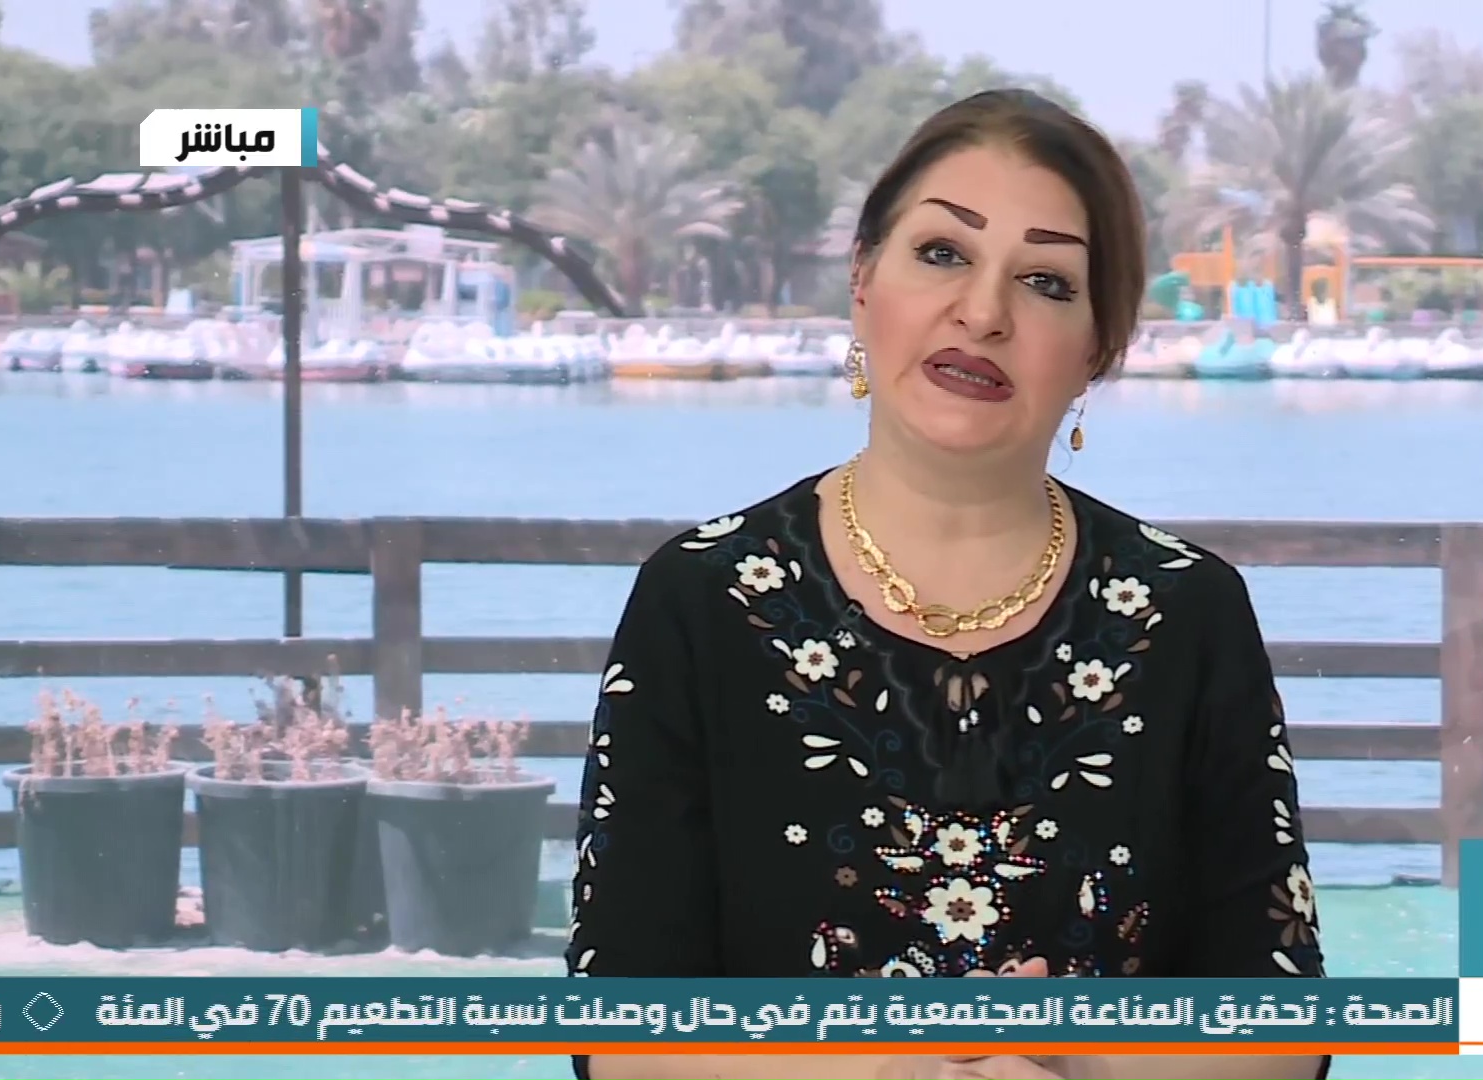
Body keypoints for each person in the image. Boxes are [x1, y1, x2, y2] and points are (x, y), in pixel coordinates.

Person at [565, 88, 1329, 1080]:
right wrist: (893, 1070)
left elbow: (1286, 1028)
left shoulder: (1189, 609)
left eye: (1046, 281)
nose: (983, 311)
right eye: (941, 253)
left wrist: (1074, 1065)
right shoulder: (699, 598)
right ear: (862, 280)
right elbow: (618, 1029)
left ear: (1098, 348)